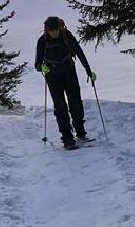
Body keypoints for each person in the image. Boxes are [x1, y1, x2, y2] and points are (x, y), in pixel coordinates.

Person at [35, 16, 97, 149]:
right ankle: (67, 138)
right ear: (47, 30)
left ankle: (80, 132)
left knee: (76, 102)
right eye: (52, 31)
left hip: (69, 70)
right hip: (52, 75)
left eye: (56, 30)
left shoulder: (67, 36)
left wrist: (88, 70)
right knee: (60, 106)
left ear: (60, 27)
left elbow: (79, 53)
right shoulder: (42, 41)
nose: (55, 33)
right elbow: (37, 63)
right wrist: (42, 67)